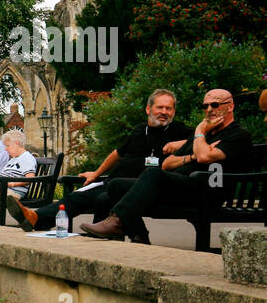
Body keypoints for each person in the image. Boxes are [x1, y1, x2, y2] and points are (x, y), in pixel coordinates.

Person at [81, 88, 255, 244]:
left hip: (208, 190)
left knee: (153, 174)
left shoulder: (238, 134)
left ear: (230, 107)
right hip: (183, 188)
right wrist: (193, 155)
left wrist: (200, 133)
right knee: (116, 185)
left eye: (215, 105)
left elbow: (204, 157)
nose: (209, 110)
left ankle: (117, 222)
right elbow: (168, 163)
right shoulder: (205, 137)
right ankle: (139, 236)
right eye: (206, 106)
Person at [5, 89, 189, 232]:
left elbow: (208, 139)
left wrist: (183, 142)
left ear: (173, 111)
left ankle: (42, 220)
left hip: (141, 188)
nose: (164, 112)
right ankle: (38, 219)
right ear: (149, 109)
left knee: (101, 198)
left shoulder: (179, 131)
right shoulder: (141, 130)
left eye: (169, 108)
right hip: (114, 181)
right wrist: (96, 173)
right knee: (78, 196)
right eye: (160, 107)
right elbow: (117, 153)